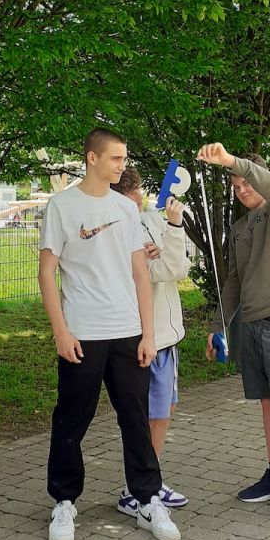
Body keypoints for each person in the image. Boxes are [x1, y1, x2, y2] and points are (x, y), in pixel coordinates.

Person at [38, 128, 182, 540]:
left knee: (135, 419)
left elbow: (140, 275)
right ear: (92, 158)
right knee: (71, 419)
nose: (122, 165)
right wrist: (60, 331)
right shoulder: (61, 207)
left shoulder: (125, 208)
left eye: (124, 158)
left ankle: (147, 500)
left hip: (128, 333)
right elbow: (46, 273)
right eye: (116, 158)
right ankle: (64, 502)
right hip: (82, 333)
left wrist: (148, 335)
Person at [197, 142, 270, 522]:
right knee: (267, 403)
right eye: (235, 186)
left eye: (246, 182)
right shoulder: (239, 229)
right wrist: (217, 326)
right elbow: (234, 281)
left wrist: (230, 161)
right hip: (254, 325)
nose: (242, 190)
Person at [112, 166, 190, 515]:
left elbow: (177, 265)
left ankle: (149, 481)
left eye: (139, 193)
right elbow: (164, 269)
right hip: (145, 335)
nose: (140, 201)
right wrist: (174, 227)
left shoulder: (147, 219)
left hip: (164, 335)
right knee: (148, 415)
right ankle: (137, 489)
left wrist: (167, 236)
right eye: (132, 197)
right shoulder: (121, 229)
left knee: (164, 411)